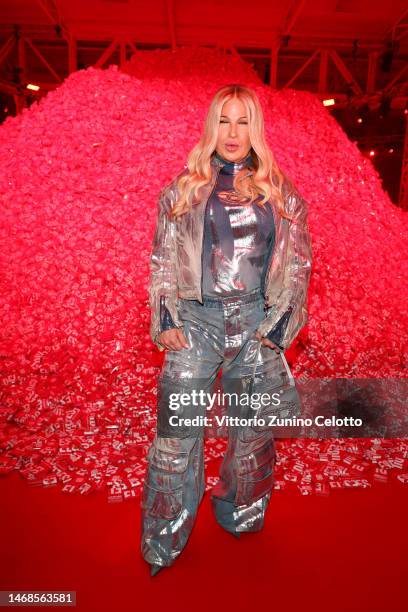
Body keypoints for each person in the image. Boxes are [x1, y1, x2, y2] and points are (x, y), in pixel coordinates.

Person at [141, 83, 313, 576]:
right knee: (175, 438)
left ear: (254, 128)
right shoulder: (183, 190)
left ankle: (241, 513)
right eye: (224, 120)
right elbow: (162, 260)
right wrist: (167, 316)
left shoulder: (279, 192)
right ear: (211, 125)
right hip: (196, 324)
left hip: (256, 325)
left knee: (251, 436)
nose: (232, 132)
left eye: (242, 121)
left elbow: (297, 265)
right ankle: (163, 541)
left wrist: (278, 328)